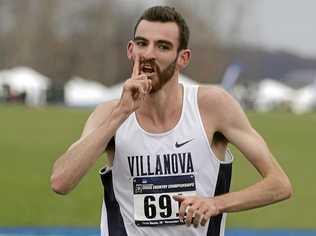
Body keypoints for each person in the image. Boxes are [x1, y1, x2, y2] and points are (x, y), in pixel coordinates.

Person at [51, 6, 293, 236]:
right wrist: (120, 114)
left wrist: (215, 204)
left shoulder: (212, 106)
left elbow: (279, 184)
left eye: (163, 47)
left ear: (183, 58)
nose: (148, 54)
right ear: (130, 50)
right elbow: (61, 181)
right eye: (142, 43)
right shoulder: (109, 114)